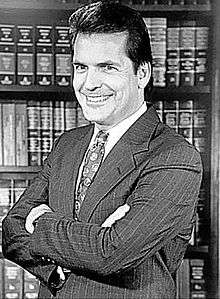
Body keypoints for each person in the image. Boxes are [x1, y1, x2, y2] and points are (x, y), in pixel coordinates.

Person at [2, 1, 203, 298]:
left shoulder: (175, 157)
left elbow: (111, 252)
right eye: (81, 67)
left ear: (142, 73)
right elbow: (11, 231)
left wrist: (42, 221)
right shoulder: (67, 145)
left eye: (107, 67)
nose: (89, 84)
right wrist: (57, 271)